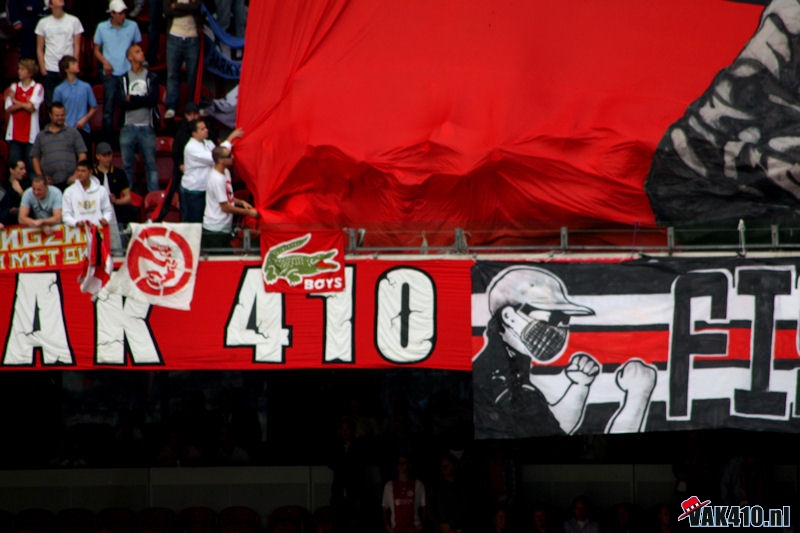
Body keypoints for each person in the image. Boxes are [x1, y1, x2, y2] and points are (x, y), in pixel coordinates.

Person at [472, 266, 656, 438]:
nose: (559, 328)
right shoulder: (506, 386)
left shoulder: (505, 368)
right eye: (553, 317)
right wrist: (638, 395)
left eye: (564, 320)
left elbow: (548, 420)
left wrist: (579, 386)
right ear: (509, 317)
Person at [93, 0, 142, 143]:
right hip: (110, 73)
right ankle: (108, 143)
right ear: (112, 14)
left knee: (128, 107)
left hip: (127, 73)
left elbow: (136, 47)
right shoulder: (102, 27)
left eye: (124, 13)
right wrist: (105, 63)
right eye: (119, 13)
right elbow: (96, 50)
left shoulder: (133, 26)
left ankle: (127, 141)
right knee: (108, 109)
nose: (122, 16)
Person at [119, 44, 161, 193]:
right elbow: (122, 104)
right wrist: (143, 100)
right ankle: (127, 197)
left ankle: (154, 197)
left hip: (147, 127)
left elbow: (153, 100)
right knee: (127, 165)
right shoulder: (123, 78)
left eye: (142, 50)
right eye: (137, 52)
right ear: (130, 58)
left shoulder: (152, 77)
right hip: (128, 127)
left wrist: (133, 99)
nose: (142, 53)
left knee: (151, 165)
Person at [181, 119, 242, 222]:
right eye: (202, 129)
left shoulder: (208, 143)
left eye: (205, 128)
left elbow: (218, 152)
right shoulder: (191, 147)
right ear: (194, 133)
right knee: (195, 222)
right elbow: (215, 157)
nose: (206, 130)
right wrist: (230, 138)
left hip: (205, 189)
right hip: (194, 192)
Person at [152, 101, 202, 222]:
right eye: (189, 114)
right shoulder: (181, 131)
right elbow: (176, 151)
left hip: (200, 176)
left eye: (195, 114)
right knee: (184, 205)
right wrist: (180, 164)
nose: (192, 117)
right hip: (184, 174)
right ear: (185, 115)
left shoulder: (205, 131)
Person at [202, 144, 257, 248]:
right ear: (220, 160)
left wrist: (241, 202)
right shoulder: (216, 179)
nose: (232, 157)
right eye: (229, 155)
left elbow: (228, 196)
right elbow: (225, 207)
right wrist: (249, 212)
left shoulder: (226, 172)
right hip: (215, 229)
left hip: (224, 227)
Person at [35, 0, 84, 106]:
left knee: (70, 102)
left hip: (68, 68)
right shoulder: (43, 23)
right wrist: (43, 68)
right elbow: (39, 48)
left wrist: (75, 65)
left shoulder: (74, 20)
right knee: (51, 102)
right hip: (50, 67)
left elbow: (77, 46)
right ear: (50, 4)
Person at [31, 102, 88, 190]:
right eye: (57, 115)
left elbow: (82, 155)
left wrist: (76, 175)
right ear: (50, 115)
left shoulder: (73, 133)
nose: (60, 118)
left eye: (62, 115)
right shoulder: (41, 136)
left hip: (71, 183)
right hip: (49, 185)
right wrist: (41, 177)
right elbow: (35, 158)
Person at [163, 0, 202, 119]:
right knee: (172, 74)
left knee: (192, 75)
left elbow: (197, 7)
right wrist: (188, 8)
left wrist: (177, 7)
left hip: (192, 38)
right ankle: (171, 106)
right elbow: (168, 11)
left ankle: (191, 107)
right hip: (174, 36)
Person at [4, 58, 45, 172]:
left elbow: (31, 107)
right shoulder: (14, 87)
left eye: (22, 69)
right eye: (19, 69)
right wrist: (24, 104)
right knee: (15, 166)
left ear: (30, 73)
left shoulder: (37, 87)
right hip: (14, 134)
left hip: (30, 135)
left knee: (31, 167)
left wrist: (15, 101)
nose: (19, 71)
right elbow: (8, 108)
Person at [93, 141, 134, 249]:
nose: (107, 158)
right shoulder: (92, 174)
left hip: (117, 215)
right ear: (98, 156)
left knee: (119, 247)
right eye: (104, 155)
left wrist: (116, 201)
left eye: (109, 155)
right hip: (96, 215)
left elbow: (128, 198)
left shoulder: (119, 173)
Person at [53, 55, 98, 150]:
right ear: (66, 69)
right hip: (65, 130)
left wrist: (85, 119)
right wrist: (63, 124)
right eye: (73, 64)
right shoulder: (59, 90)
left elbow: (94, 107)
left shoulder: (86, 87)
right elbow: (55, 110)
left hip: (83, 129)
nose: (77, 65)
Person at [381, 455, 426, 533]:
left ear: (409, 465)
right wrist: (387, 526)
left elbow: (424, 506)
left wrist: (422, 524)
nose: (401, 465)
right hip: (397, 529)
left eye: (403, 463)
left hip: (413, 529)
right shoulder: (389, 486)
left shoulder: (418, 485)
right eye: (399, 463)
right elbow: (384, 507)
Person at [61, 161, 113, 227]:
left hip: (97, 229)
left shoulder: (101, 190)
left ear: (90, 172)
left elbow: (108, 210)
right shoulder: (69, 192)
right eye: (78, 170)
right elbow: (66, 215)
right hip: (78, 230)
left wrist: (105, 219)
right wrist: (75, 222)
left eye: (83, 171)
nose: (80, 174)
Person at [427, 453, 468, 533]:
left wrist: (453, 525)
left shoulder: (462, 486)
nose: (444, 467)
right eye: (442, 466)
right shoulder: (436, 487)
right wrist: (441, 525)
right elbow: (431, 509)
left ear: (454, 466)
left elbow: (466, 507)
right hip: (442, 529)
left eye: (447, 465)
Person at [7, 158, 32, 224]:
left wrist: (21, 192)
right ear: (12, 170)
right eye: (21, 169)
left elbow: (32, 202)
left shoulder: (27, 183)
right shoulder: (3, 186)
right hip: (7, 217)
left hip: (25, 214)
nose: (24, 171)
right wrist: (8, 210)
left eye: (24, 169)